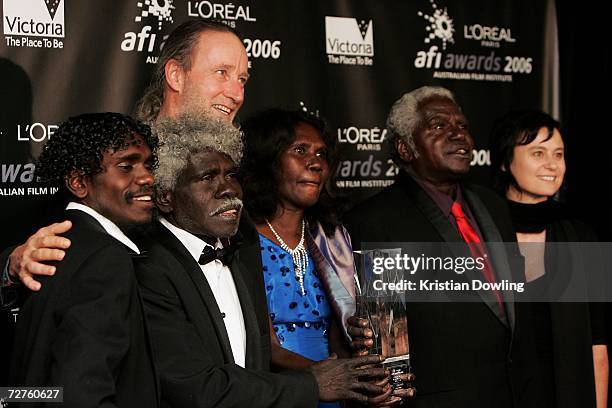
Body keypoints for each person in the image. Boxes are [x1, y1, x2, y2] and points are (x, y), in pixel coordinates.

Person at [134, 113, 391, 407]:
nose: (228, 188)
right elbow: (198, 383)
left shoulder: (331, 238)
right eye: (300, 150)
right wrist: (322, 380)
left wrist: (361, 371)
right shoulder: (229, 246)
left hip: (322, 389)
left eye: (231, 175)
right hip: (284, 391)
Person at [3, 19, 249, 287]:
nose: (236, 94)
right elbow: (45, 242)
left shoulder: (235, 178)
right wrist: (13, 262)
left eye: (242, 80)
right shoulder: (111, 160)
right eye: (222, 73)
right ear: (176, 75)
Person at [344, 86, 538, 408]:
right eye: (439, 126)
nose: (459, 135)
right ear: (406, 149)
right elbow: (388, 343)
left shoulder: (494, 206)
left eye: (462, 126)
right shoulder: (376, 221)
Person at [241, 109, 407, 407]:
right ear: (268, 160)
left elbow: (340, 336)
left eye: (321, 153)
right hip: (275, 392)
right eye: (300, 150)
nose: (316, 162)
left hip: (336, 393)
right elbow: (262, 346)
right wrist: (337, 376)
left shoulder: (332, 239)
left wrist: (372, 378)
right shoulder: (240, 240)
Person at [9, 113, 159, 407]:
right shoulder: (105, 260)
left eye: (148, 164)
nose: (147, 177)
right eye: (127, 166)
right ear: (79, 182)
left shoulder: (63, 245)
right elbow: (81, 395)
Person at [489, 109, 608, 408]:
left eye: (559, 154)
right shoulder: (481, 233)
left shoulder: (582, 236)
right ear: (505, 161)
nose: (552, 165)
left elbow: (598, 347)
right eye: (538, 153)